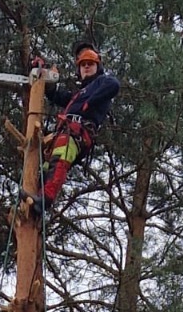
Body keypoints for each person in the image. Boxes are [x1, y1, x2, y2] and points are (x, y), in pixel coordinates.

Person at [29, 44, 119, 211]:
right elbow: (56, 95)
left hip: (77, 133)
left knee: (60, 159)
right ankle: (34, 201)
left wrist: (88, 103)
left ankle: (45, 200)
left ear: (97, 66)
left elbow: (114, 85)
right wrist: (44, 77)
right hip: (65, 133)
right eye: (82, 64)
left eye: (90, 64)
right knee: (46, 168)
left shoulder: (102, 81)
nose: (86, 67)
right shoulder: (78, 94)